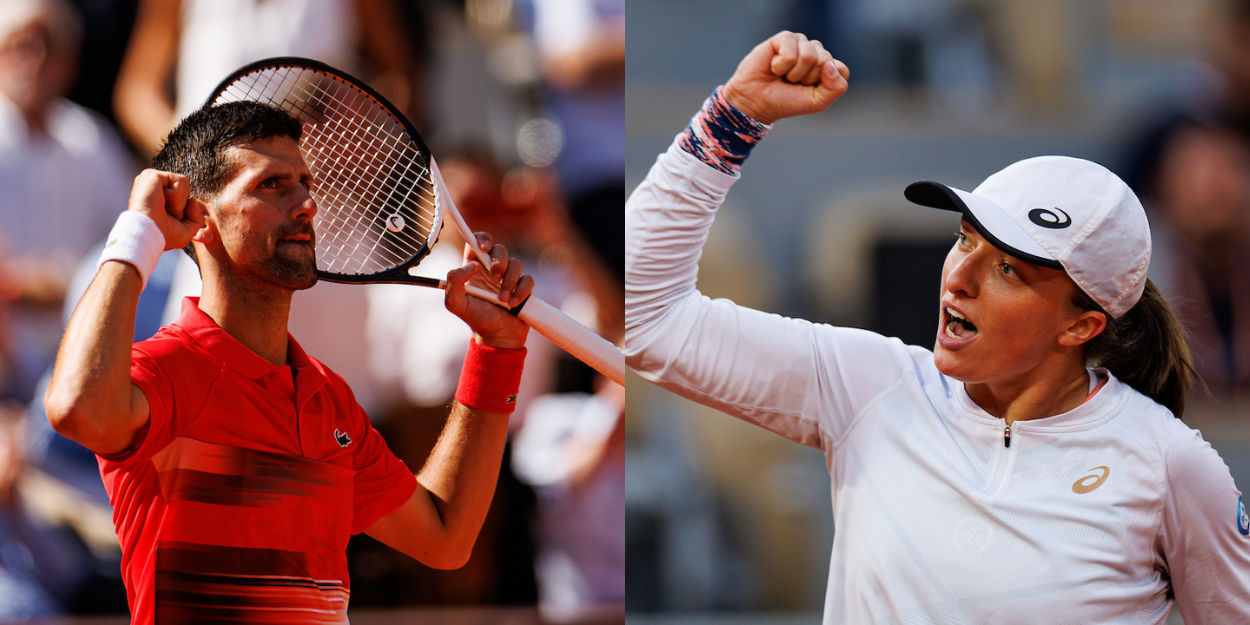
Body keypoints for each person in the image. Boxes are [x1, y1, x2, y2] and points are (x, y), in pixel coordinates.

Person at [625, 31, 1250, 623]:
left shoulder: (1171, 465)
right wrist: (733, 117)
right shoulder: (867, 386)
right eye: (964, 240)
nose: (959, 276)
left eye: (1008, 267)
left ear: (1081, 325)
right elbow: (647, 315)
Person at [43, 101, 534, 623]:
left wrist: (496, 351)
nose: (306, 204)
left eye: (304, 182)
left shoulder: (329, 398)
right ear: (198, 219)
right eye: (272, 185)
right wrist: (138, 233)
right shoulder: (163, 371)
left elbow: (446, 536)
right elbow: (78, 408)